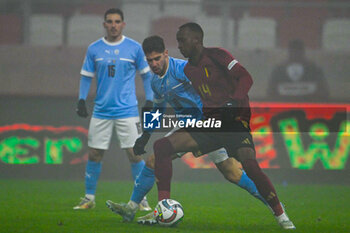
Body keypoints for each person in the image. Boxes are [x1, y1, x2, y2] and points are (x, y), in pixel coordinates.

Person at [137, 23, 295, 229]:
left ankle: (280, 214)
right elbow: (179, 100)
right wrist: (146, 134)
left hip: (233, 122)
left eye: (182, 41)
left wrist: (234, 102)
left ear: (196, 40)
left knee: (247, 166)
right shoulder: (188, 70)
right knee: (161, 148)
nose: (180, 46)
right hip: (209, 124)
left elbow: (246, 77)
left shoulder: (218, 55)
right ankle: (162, 207)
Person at [104, 35, 269, 222]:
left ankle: (273, 203)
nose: (154, 63)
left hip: (208, 124)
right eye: (150, 60)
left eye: (157, 58)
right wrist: (145, 136)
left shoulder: (184, 70)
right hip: (189, 125)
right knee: (157, 162)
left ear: (166, 54)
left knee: (227, 170)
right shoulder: (155, 82)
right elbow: (157, 109)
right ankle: (132, 208)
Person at [73, 8, 153, 211]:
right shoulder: (94, 49)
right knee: (94, 154)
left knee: (135, 155)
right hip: (101, 111)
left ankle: (142, 200)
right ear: (104, 24)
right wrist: (82, 99)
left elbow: (146, 75)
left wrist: (150, 99)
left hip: (127, 111)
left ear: (123, 24)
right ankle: (89, 199)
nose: (113, 25)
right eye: (110, 21)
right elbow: (85, 75)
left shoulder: (134, 48)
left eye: (117, 21)